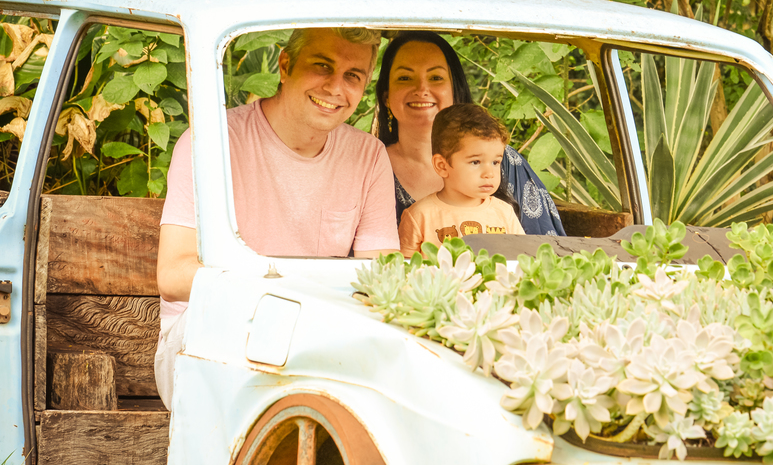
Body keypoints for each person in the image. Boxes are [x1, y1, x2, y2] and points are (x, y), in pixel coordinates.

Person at [154, 27, 400, 409]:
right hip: (210, 337)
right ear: (285, 66)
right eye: (322, 66)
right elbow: (173, 276)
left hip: (319, 337)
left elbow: (383, 278)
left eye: (353, 76)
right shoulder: (212, 143)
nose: (336, 87)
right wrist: (291, 287)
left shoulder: (367, 156)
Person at [375, 31, 566, 236]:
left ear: (455, 90)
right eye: (405, 78)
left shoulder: (506, 163)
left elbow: (547, 250)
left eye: (436, 77)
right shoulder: (370, 168)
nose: (422, 89)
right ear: (386, 95)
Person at [399, 104, 525, 257]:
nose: (489, 173)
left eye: (495, 162)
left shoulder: (504, 212)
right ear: (442, 166)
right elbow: (404, 269)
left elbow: (520, 263)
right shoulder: (419, 216)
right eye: (475, 162)